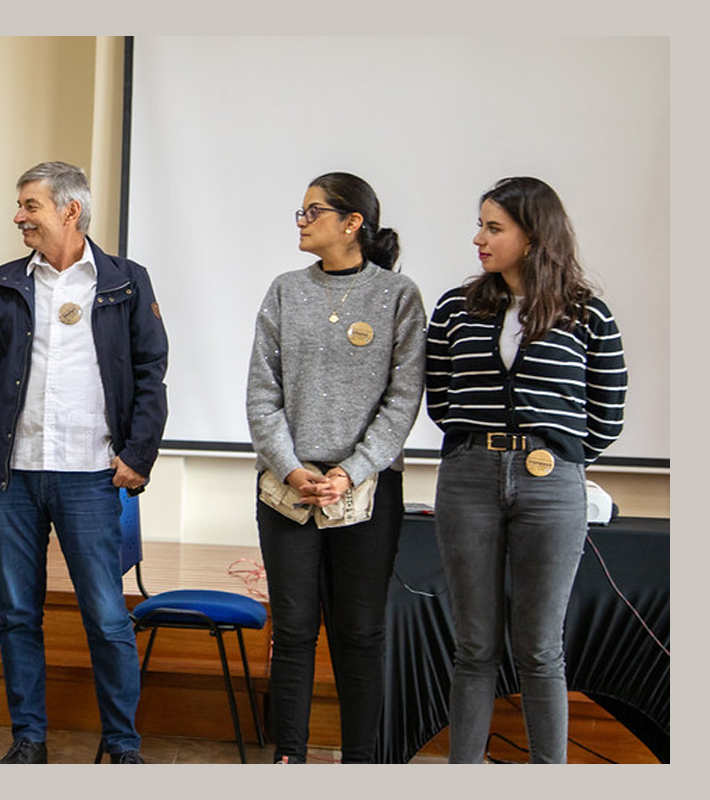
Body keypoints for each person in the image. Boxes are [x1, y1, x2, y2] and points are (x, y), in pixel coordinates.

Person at [0, 161, 168, 764]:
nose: (18, 216)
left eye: (30, 205)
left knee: (105, 616)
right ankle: (29, 740)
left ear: (70, 210)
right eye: (20, 205)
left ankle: (122, 745)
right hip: (13, 475)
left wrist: (138, 454)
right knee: (19, 613)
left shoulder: (126, 281)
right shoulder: (7, 280)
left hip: (93, 475)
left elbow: (151, 373)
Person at [426, 176, 628, 763]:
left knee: (540, 648)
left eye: (494, 228)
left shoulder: (588, 314)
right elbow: (442, 399)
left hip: (553, 486)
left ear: (535, 237)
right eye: (480, 225)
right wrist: (486, 445)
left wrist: (552, 456)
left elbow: (606, 413)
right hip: (468, 478)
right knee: (474, 646)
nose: (478, 239)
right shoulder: (454, 308)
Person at [246, 172, 426, 764]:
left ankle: (361, 763)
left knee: (360, 633)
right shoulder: (284, 291)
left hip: (368, 491)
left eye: (313, 212)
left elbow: (404, 399)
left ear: (352, 223)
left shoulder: (397, 295)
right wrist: (294, 469)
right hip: (287, 488)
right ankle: (289, 757)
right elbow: (261, 393)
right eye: (299, 212)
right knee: (294, 631)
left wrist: (352, 470)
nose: (301, 221)